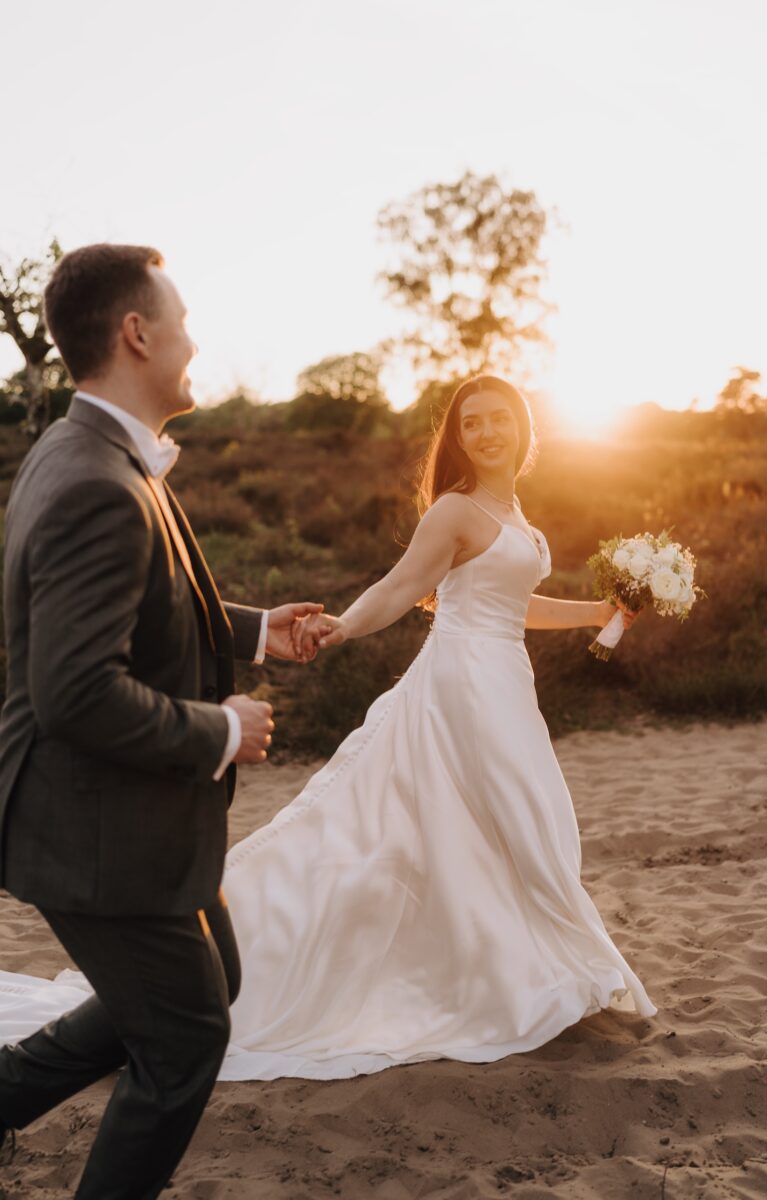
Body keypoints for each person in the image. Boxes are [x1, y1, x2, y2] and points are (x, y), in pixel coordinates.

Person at [215, 373, 657, 1081]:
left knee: (511, 822)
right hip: (463, 684)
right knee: (500, 817)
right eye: (470, 423)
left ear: (523, 428)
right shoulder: (453, 511)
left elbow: (517, 605)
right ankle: (525, 977)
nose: (485, 433)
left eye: (498, 420)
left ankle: (522, 969)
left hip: (506, 681)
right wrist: (341, 627)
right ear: (457, 437)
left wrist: (601, 612)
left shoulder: (512, 512)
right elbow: (399, 585)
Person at [0, 244, 323, 1197]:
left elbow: (150, 605)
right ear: (137, 333)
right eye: (179, 320)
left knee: (207, 976)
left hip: (117, 810)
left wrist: (262, 631)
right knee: (187, 1037)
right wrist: (219, 729)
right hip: (90, 823)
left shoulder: (90, 451)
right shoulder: (98, 481)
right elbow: (77, 693)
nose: (193, 339)